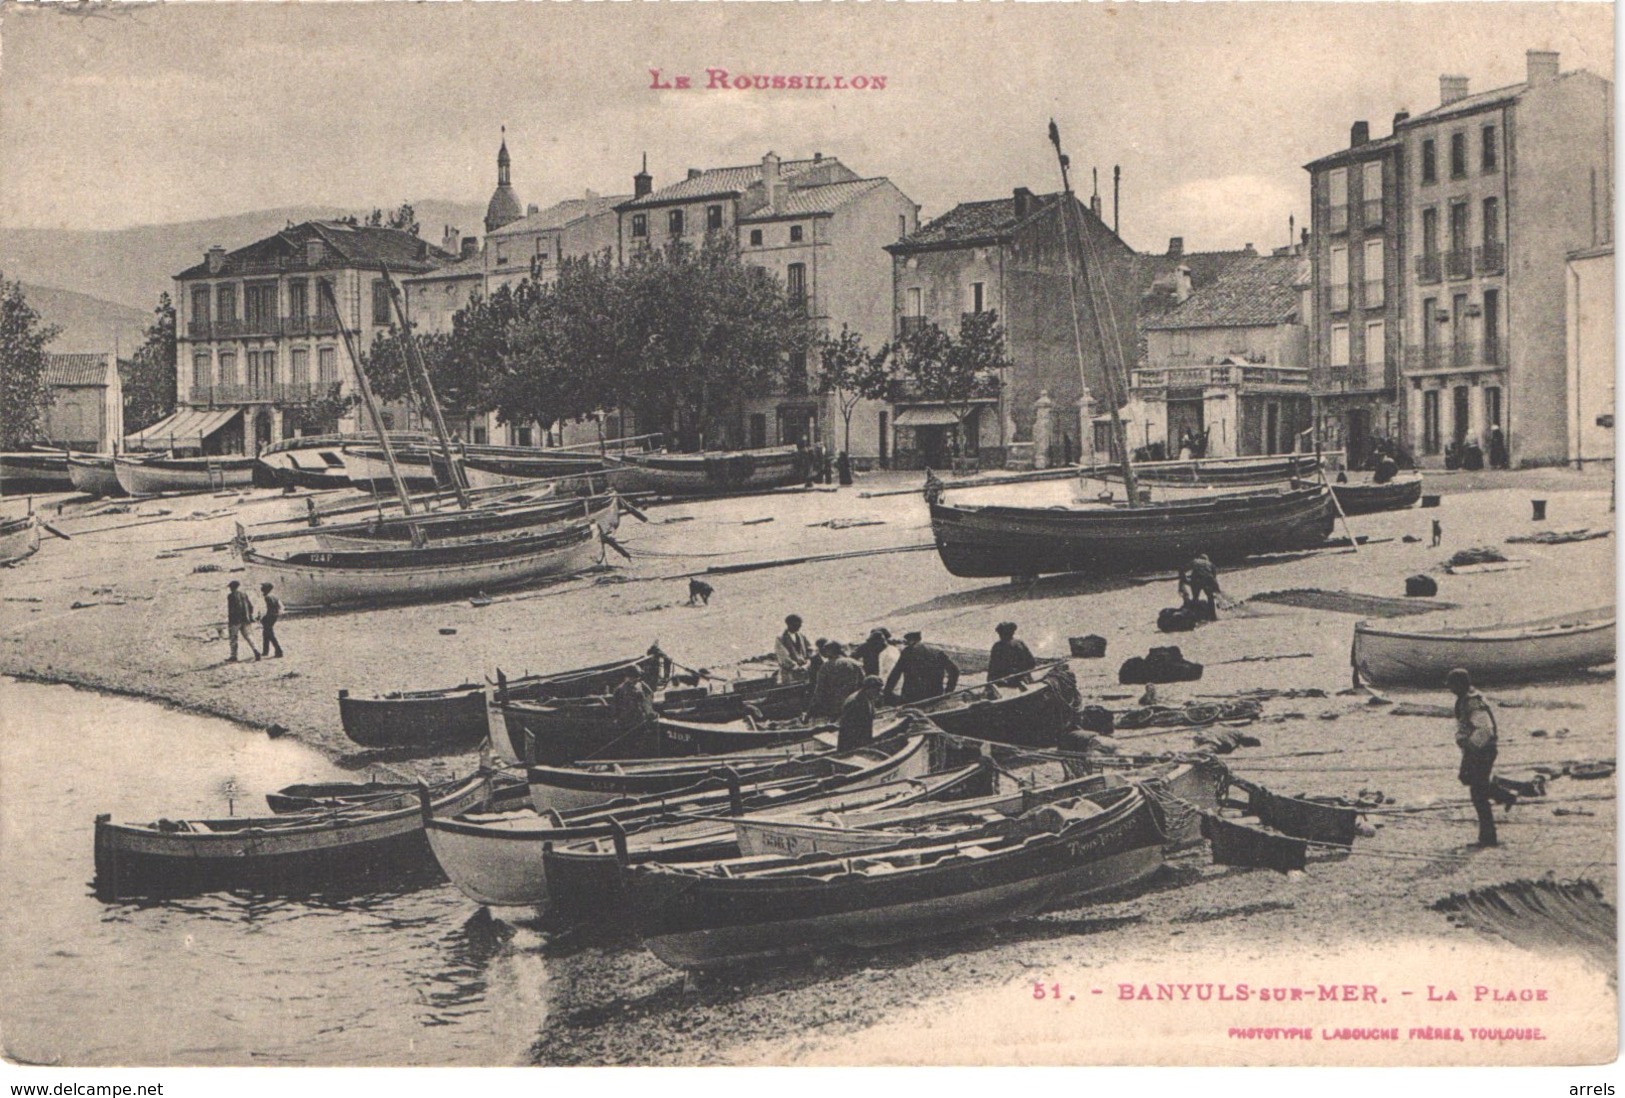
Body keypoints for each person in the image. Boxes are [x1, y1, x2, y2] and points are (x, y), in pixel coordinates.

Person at [1448, 667, 1516, 847]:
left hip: (1481, 751)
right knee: (1468, 780)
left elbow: (1485, 729)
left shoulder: (1472, 702)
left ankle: (1488, 837)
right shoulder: (1467, 698)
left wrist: (1470, 747)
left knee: (1478, 793)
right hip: (1477, 750)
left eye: (1452, 685)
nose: (1450, 689)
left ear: (1461, 684)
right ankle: (1505, 796)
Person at [884, 630, 960, 704]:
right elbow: (954, 671)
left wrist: (887, 693)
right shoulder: (937, 651)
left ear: (911, 641)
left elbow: (895, 675)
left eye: (907, 642)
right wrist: (948, 693)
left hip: (913, 699)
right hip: (936, 696)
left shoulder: (908, 652)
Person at [806, 642, 864, 720]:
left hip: (836, 708)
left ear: (829, 652)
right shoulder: (855, 663)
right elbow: (864, 683)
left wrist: (809, 712)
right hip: (856, 704)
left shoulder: (825, 667)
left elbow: (819, 691)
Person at [611, 664, 658, 754]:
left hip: (642, 719)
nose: (637, 679)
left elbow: (649, 698)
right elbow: (615, 707)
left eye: (638, 676)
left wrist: (650, 712)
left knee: (643, 741)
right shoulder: (620, 690)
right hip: (628, 722)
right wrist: (617, 719)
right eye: (635, 677)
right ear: (628, 677)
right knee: (630, 742)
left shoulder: (643, 687)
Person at [837, 676, 885, 752]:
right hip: (851, 746)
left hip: (859, 742)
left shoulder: (866, 697)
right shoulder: (857, 702)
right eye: (877, 690)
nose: (880, 694)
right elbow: (853, 730)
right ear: (869, 689)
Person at [987, 621, 1036, 685]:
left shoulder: (998, 646)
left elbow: (992, 668)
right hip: (1019, 678)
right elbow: (1032, 663)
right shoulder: (1019, 643)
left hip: (1013, 679)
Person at [1178, 554, 1221, 621]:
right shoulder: (1211, 564)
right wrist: (1216, 588)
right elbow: (1214, 577)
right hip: (1208, 579)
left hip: (1196, 580)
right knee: (1210, 597)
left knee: (1195, 597)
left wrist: (1184, 579)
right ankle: (1213, 616)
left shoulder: (1195, 561)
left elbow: (1182, 569)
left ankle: (1193, 615)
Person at [774, 614, 813, 683]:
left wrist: (808, 663)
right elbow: (783, 656)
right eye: (797, 624)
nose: (799, 626)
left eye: (800, 624)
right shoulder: (781, 638)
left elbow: (810, 649)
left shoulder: (801, 636)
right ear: (789, 624)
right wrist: (795, 667)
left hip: (804, 671)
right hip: (789, 673)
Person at [226, 580, 258, 662]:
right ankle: (256, 651)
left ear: (232, 587)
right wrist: (250, 616)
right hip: (246, 619)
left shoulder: (231, 596)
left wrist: (230, 621)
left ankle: (234, 656)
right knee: (249, 636)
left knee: (233, 638)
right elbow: (251, 606)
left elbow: (231, 610)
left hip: (235, 620)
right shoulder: (244, 595)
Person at [259, 582, 284, 659]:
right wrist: (277, 614)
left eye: (262, 587)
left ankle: (279, 650)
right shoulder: (275, 597)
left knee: (269, 634)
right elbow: (281, 607)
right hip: (273, 617)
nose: (261, 588)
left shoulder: (266, 597)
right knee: (266, 633)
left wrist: (260, 617)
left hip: (267, 617)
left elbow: (264, 609)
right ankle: (265, 651)